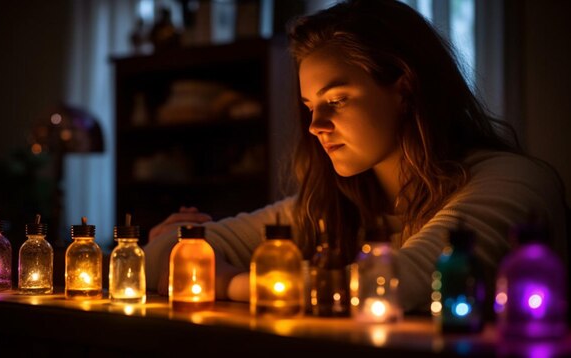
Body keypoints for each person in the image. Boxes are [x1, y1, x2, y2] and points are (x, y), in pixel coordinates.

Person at [143, 0, 568, 315]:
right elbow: (163, 255)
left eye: (337, 99)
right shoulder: (331, 204)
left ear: (403, 88)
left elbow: (398, 284)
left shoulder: (514, 183)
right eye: (310, 106)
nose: (316, 125)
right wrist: (178, 251)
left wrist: (231, 281)